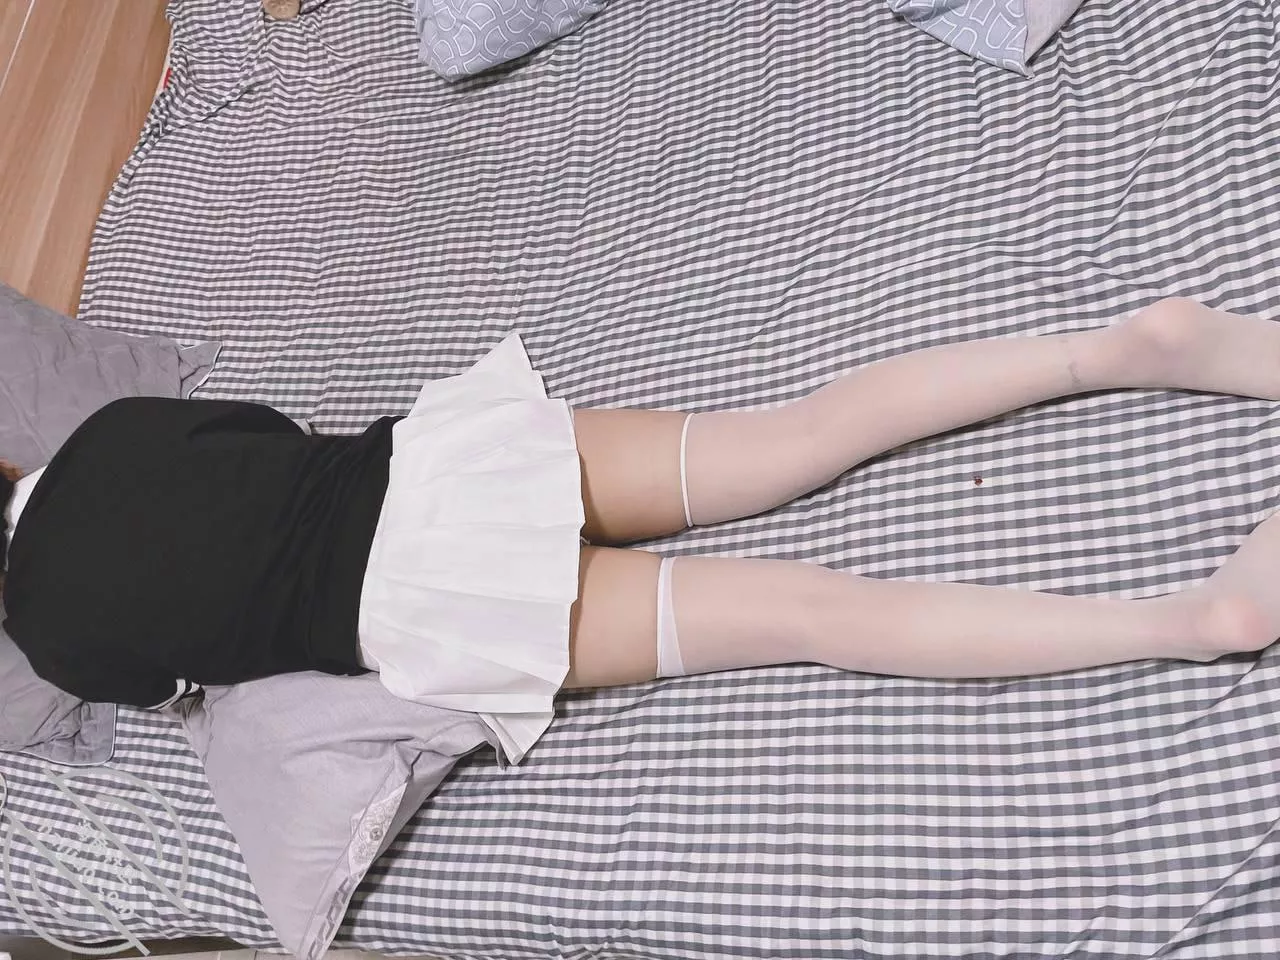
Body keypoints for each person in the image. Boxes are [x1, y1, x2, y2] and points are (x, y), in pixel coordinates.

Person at [3, 296, 1279, 766]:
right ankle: (1112, 350)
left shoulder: (55, 642)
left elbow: (192, 678)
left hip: (429, 602)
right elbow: (271, 438)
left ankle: (1187, 620)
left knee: (817, 612)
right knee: (802, 434)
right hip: (447, 467)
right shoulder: (111, 430)